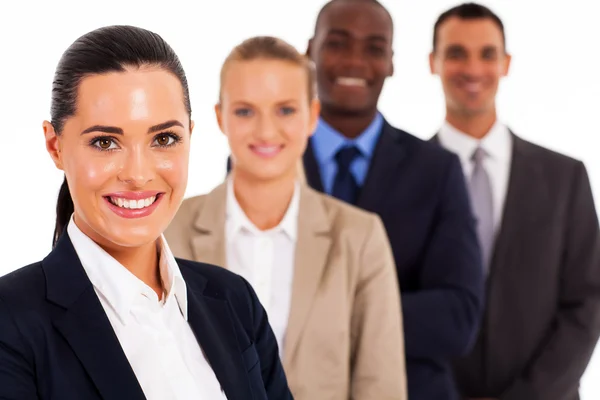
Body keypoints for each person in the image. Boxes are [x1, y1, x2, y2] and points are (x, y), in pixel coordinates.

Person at [0, 25, 292, 400]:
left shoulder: (235, 301)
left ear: (190, 135)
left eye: (164, 139)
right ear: (55, 146)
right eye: (105, 142)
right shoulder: (11, 323)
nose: (138, 175)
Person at [166, 36, 407, 399]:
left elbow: (381, 386)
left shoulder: (360, 237)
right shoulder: (171, 229)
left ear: (312, 116)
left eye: (285, 110)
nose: (265, 131)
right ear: (220, 117)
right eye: (245, 111)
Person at [429, 3, 600, 400]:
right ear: (432, 62)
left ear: (505, 63)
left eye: (487, 54)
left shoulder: (564, 177)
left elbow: (588, 302)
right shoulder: (403, 177)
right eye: (456, 53)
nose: (473, 69)